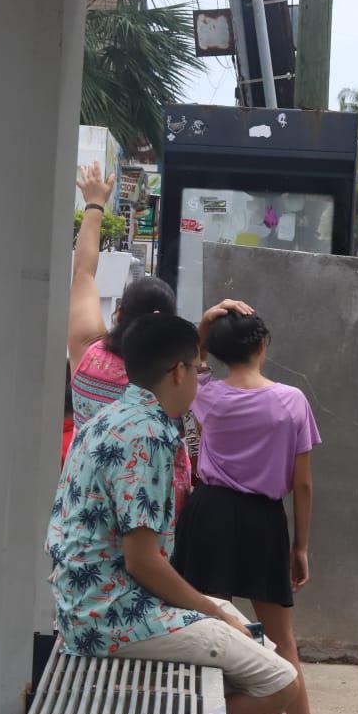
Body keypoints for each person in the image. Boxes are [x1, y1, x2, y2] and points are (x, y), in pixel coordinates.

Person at [47, 315, 298, 714]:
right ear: (179, 372)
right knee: (280, 680)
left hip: (84, 604)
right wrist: (212, 613)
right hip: (110, 615)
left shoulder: (110, 415)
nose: (203, 379)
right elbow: (142, 562)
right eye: (200, 369)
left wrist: (217, 613)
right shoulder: (150, 435)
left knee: (244, 627)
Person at [171, 310, 350, 714]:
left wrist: (207, 323)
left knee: (212, 632)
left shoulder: (205, 392)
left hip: (207, 517)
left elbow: (193, 359)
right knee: (283, 640)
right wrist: (302, 546)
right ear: (263, 345)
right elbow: (304, 485)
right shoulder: (291, 401)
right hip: (263, 522)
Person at [68, 161, 243, 514]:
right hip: (151, 522)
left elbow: (84, 271)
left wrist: (94, 204)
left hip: (83, 511)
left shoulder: (87, 352)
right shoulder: (165, 381)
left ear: (118, 315)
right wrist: (204, 333)